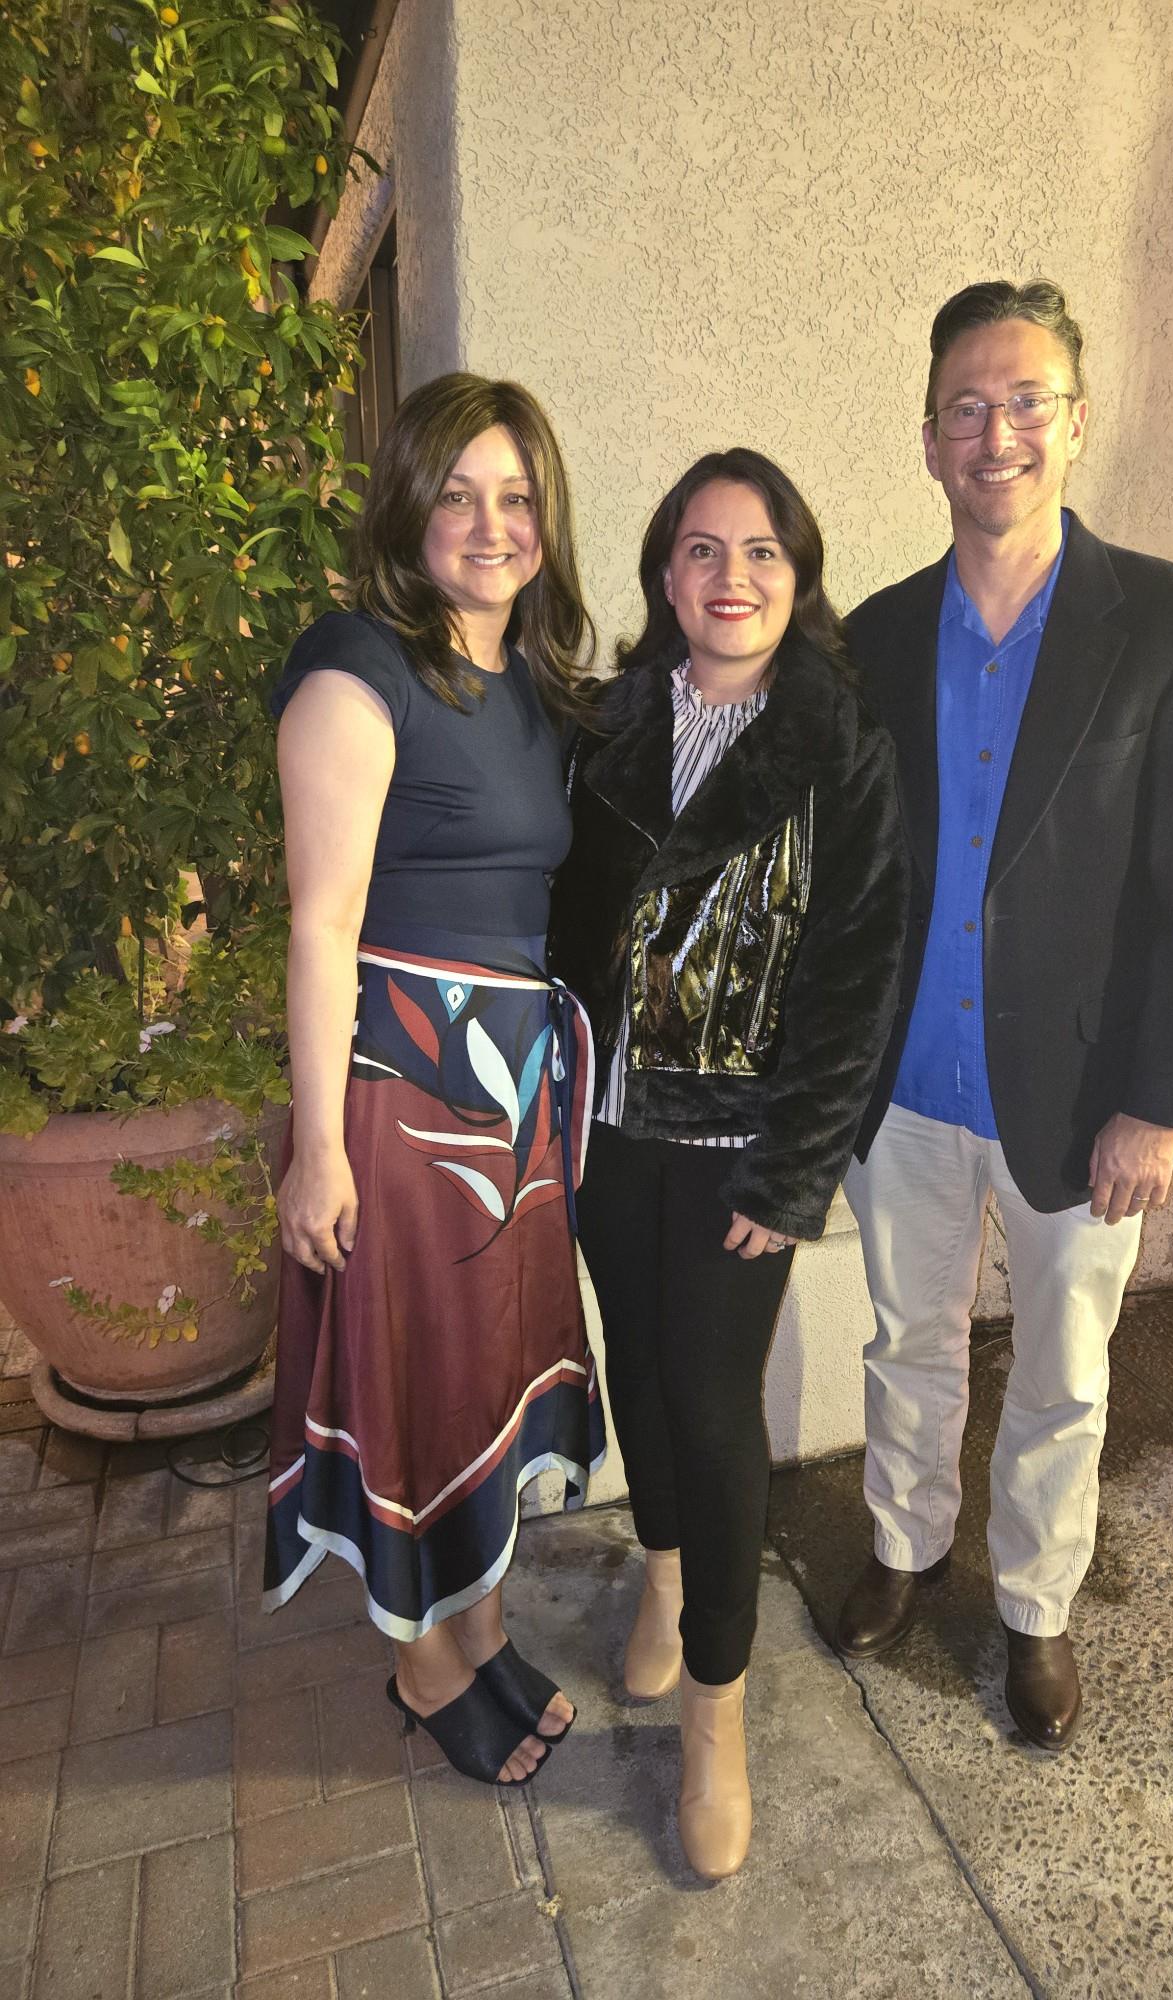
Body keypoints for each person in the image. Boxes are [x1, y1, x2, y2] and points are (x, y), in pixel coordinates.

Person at [834, 280, 1173, 1751]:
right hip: (907, 1078)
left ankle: (1036, 1606)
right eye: (967, 405)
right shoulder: (875, 639)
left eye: (1026, 402)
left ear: (1076, 425)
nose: (996, 430)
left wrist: (1161, 1096)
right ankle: (903, 1547)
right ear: (931, 440)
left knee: (1066, 1373)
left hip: (1084, 1094)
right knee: (909, 1338)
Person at [548, 449, 906, 1877]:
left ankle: (718, 1710)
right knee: (635, 1365)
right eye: (701, 550)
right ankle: (664, 1571)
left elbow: (856, 978)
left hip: (736, 1149)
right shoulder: (608, 726)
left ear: (798, 575)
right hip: (603, 1130)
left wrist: (791, 1171)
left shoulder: (837, 750)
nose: (731, 577)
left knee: (709, 1407)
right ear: (664, 575)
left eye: (760, 551)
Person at [264, 373, 605, 1789]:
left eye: (516, 496)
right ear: (408, 508)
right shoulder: (358, 669)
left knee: (482, 1382)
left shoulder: (535, 680)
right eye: (457, 492)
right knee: (421, 1385)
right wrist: (323, 1153)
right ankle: (420, 1662)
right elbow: (319, 923)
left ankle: (479, 1624)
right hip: (398, 1105)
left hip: (508, 1105)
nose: (490, 522)